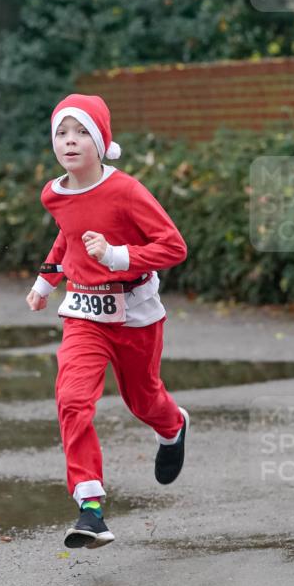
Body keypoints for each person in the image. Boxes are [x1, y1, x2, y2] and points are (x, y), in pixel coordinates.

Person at [26, 93, 189, 550]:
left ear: (100, 141)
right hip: (83, 313)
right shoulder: (54, 194)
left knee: (143, 400)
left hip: (134, 311)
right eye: (62, 133)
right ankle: (91, 508)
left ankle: (173, 426)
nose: (70, 142)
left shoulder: (127, 191)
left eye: (81, 133)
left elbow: (174, 247)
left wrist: (120, 256)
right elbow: (69, 237)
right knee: (72, 399)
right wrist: (46, 282)